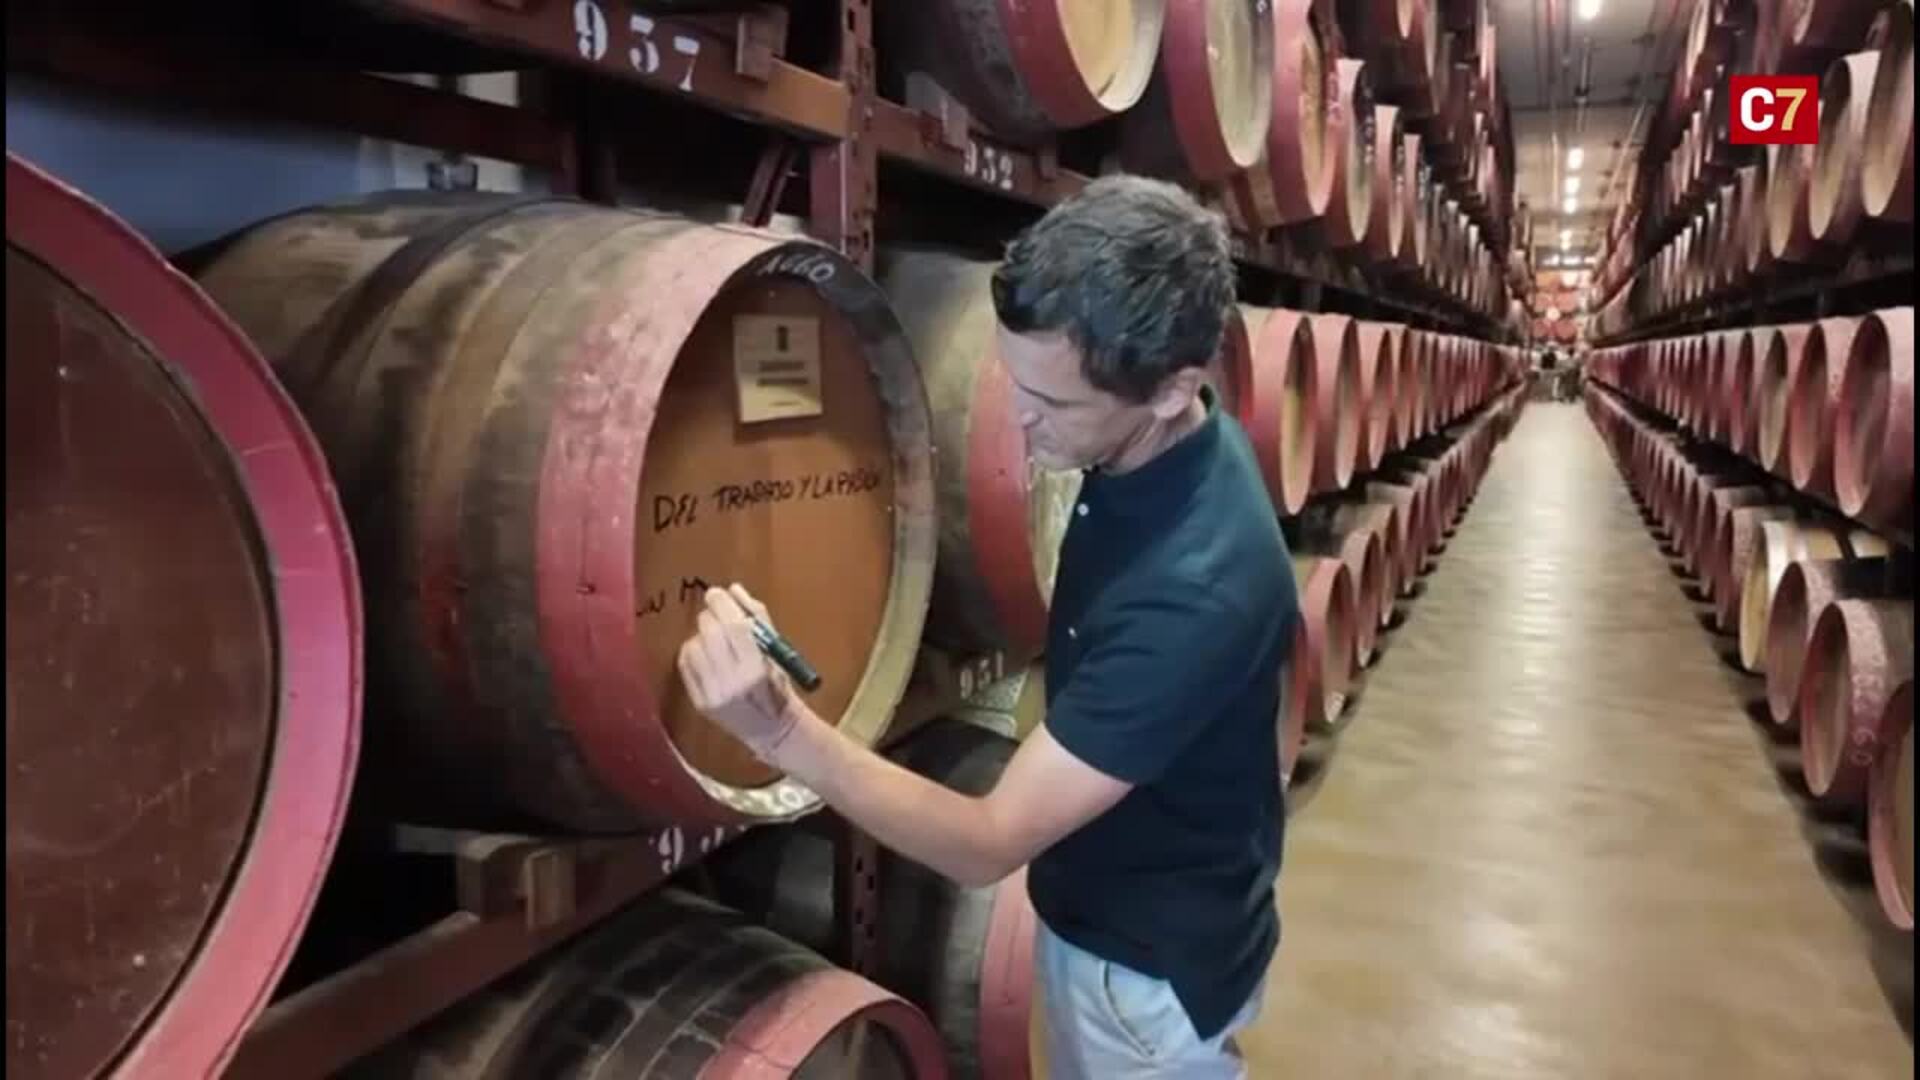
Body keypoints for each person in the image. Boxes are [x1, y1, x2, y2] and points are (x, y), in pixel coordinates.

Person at [677, 175, 1298, 1078]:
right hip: (1163, 903)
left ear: (1173, 391)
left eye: (1055, 404)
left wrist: (780, 733)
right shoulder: (1179, 444)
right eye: (1015, 381)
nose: (1018, 418)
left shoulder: (1195, 591)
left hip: (1142, 973)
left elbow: (987, 843)